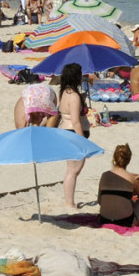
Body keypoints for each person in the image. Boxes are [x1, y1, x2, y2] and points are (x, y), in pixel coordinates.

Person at [97, 144, 139, 226]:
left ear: (114, 158)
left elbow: (100, 201)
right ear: (128, 160)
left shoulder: (104, 175)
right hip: (125, 222)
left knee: (127, 198)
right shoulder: (131, 178)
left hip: (104, 220)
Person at [58, 63, 89, 209]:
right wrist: (83, 141)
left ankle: (69, 201)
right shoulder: (74, 96)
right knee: (73, 170)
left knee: (72, 170)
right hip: (72, 133)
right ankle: (69, 203)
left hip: (66, 131)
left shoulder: (65, 92)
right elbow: (76, 121)